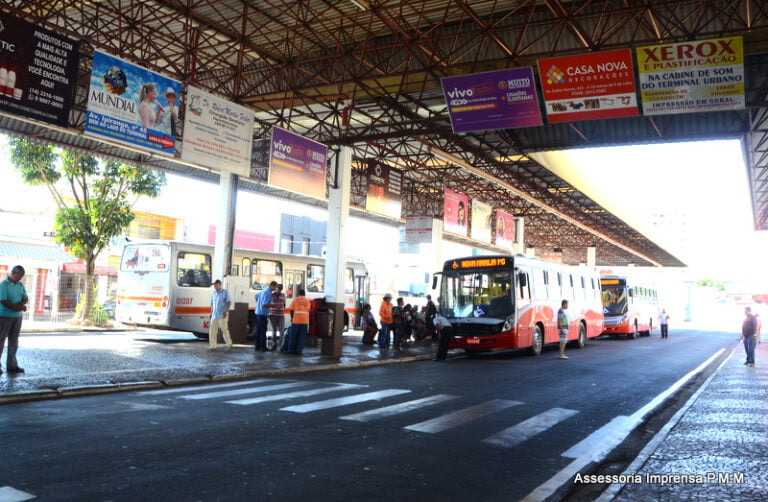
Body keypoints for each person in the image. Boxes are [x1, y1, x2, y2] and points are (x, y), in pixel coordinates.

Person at [0, 265, 29, 374]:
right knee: (0, 340)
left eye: (21, 276)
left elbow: (25, 298)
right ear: (13, 273)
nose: (20, 278)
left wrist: (21, 305)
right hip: (4, 316)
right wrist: (17, 307)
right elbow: (3, 300)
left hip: (17, 316)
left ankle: (12, 365)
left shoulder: (20, 285)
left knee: (14, 341)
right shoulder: (3, 285)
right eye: (19, 276)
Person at [208, 279, 233, 351]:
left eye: (216, 285)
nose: (215, 286)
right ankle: (213, 346)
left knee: (224, 330)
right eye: (214, 285)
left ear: (220, 284)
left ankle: (229, 344)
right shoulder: (213, 293)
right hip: (214, 315)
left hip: (222, 314)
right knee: (212, 331)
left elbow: (229, 302)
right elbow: (212, 303)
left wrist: (226, 311)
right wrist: (211, 312)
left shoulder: (225, 292)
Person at [254, 281, 277, 351]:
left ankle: (257, 346)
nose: (275, 289)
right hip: (263, 314)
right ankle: (263, 347)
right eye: (275, 287)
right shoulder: (269, 293)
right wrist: (273, 306)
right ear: (272, 286)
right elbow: (265, 304)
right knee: (263, 330)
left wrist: (258, 305)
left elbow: (256, 296)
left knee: (258, 330)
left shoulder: (264, 290)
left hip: (258, 312)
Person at [287, 289, 310, 355]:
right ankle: (299, 351)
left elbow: (291, 310)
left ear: (299, 294)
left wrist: (292, 318)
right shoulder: (307, 301)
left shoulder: (296, 300)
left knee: (293, 336)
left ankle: (291, 350)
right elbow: (308, 309)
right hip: (304, 321)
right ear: (304, 294)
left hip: (296, 321)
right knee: (301, 337)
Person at [268, 284, 286, 351]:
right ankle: (274, 344)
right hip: (273, 315)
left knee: (282, 331)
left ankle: (281, 346)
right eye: (278, 288)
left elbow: (284, 305)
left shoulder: (283, 295)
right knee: (274, 330)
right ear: (276, 288)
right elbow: (268, 303)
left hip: (281, 315)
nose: (279, 290)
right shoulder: (272, 295)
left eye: (280, 289)